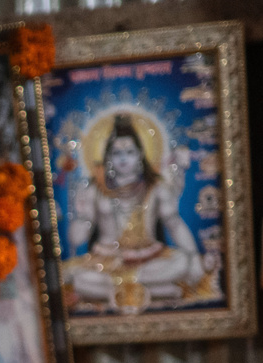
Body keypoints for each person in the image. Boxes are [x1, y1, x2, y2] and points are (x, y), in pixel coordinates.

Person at [64, 114, 204, 311]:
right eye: (116, 153)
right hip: (106, 264)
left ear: (140, 155)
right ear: (108, 158)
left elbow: (174, 223)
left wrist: (194, 256)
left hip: (149, 260)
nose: (123, 158)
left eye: (129, 152)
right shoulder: (95, 190)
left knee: (183, 263)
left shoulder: (155, 187)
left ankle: (127, 290)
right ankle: (160, 291)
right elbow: (77, 239)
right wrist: (80, 215)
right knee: (77, 277)